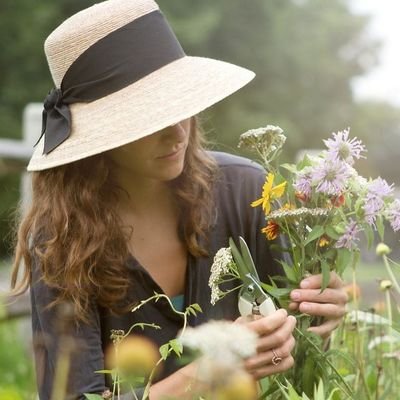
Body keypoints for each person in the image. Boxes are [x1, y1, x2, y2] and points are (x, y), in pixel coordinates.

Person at [10, 0, 348, 399]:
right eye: (150, 118)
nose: (176, 132)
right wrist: (212, 370)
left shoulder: (246, 191)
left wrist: (320, 312)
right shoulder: (60, 240)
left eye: (181, 106)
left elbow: (298, 357)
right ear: (98, 134)